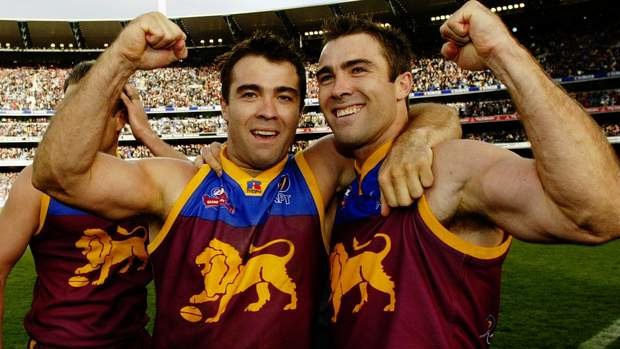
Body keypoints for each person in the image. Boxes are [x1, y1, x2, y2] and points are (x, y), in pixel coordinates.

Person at [30, 13, 459, 348]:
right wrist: (122, 57)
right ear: (224, 104)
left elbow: (398, 116)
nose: (268, 111)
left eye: (284, 96)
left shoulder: (321, 170)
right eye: (250, 94)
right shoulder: (176, 183)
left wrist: (418, 137)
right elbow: (57, 171)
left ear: (299, 109)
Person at [315, 2, 620, 348]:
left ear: (403, 85)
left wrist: (501, 53)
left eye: (358, 70)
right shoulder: (341, 179)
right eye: (326, 76)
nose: (338, 88)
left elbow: (600, 213)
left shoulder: (450, 166)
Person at [0, 61, 187, 349]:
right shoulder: (37, 184)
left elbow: (203, 195)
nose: (73, 122)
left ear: (120, 118)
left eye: (89, 108)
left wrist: (148, 135)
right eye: (68, 111)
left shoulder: (149, 187)